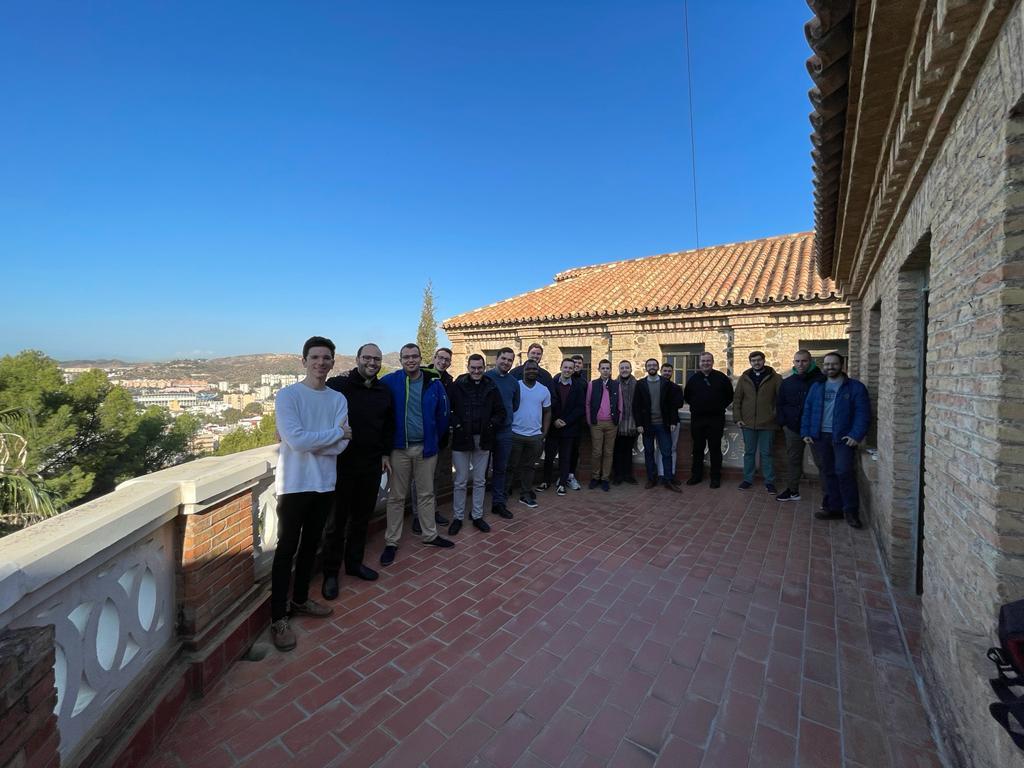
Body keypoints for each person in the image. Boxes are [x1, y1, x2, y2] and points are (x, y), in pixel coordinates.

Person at [270, 336, 351, 652]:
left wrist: (326, 440)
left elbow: (344, 444)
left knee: (310, 547)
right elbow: (297, 441)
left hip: (324, 484)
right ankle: (278, 617)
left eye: (326, 357)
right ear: (303, 361)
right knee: (286, 550)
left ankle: (301, 600)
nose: (321, 362)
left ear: (332, 362)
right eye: (315, 357)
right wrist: (332, 435)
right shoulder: (288, 396)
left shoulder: (338, 400)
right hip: (293, 485)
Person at [321, 343, 393, 602]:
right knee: (336, 523)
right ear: (358, 359)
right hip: (342, 465)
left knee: (362, 519)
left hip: (372, 465)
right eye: (367, 358)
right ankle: (330, 574)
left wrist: (385, 453)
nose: (372, 363)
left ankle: (354, 564)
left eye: (376, 359)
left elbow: (388, 426)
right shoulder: (339, 386)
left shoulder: (384, 391)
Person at [379, 343, 453, 566]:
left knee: (426, 493)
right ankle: (391, 542)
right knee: (396, 497)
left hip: (426, 448)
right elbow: (369, 390)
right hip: (399, 449)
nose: (410, 360)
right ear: (400, 360)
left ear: (421, 358)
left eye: (414, 356)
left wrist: (435, 439)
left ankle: (430, 535)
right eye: (406, 357)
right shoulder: (390, 381)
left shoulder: (434, 383)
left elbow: (443, 414)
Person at [801, 352, 871, 529]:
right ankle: (833, 508)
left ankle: (851, 511)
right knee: (826, 472)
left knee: (844, 472)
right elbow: (807, 410)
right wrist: (806, 432)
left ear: (842, 365)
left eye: (833, 364)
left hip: (842, 438)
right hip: (820, 437)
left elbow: (863, 414)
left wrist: (856, 435)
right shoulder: (817, 387)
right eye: (826, 364)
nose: (829, 367)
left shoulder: (855, 387)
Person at [448, 354, 506, 534]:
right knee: (460, 481)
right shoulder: (457, 386)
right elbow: (447, 410)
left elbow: (501, 412)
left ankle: (477, 515)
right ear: (468, 367)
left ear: (484, 367)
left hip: (484, 439)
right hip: (461, 438)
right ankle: (457, 518)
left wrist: (490, 425)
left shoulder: (491, 386)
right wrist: (457, 424)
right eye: (473, 368)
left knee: (480, 480)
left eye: (479, 367)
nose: (476, 371)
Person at [775, 349, 824, 501]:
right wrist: (784, 423)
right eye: (797, 361)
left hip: (816, 429)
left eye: (804, 361)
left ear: (810, 361)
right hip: (793, 428)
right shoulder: (787, 382)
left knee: (822, 463)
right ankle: (792, 490)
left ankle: (829, 496)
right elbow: (780, 404)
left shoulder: (821, 380)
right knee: (793, 460)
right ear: (793, 363)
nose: (800, 364)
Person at [683, 352, 734, 489]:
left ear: (712, 362)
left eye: (708, 360)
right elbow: (687, 396)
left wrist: (718, 407)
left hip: (716, 419)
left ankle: (715, 478)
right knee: (697, 448)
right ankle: (696, 476)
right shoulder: (693, 379)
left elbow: (729, 396)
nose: (705, 363)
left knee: (715, 449)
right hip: (698, 419)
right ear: (699, 363)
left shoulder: (721, 378)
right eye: (703, 361)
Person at [733, 350, 782, 493]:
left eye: (759, 360)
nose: (756, 363)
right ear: (750, 362)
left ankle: (770, 482)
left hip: (768, 423)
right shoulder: (744, 377)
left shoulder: (775, 377)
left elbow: (781, 400)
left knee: (767, 453)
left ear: (764, 360)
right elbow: (737, 399)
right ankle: (747, 479)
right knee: (749, 453)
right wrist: (738, 418)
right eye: (753, 360)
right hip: (747, 423)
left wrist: (775, 416)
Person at [633, 358, 682, 492]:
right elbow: (636, 406)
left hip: (663, 424)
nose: (652, 367)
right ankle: (651, 478)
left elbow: (672, 404)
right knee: (649, 452)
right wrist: (639, 424)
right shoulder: (640, 384)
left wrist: (672, 421)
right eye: (649, 365)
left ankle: (668, 479)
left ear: (658, 367)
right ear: (646, 368)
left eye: (654, 365)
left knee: (667, 452)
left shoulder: (666, 383)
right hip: (647, 425)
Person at [507, 360, 551, 507]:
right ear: (523, 370)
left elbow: (547, 411)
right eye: (528, 369)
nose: (531, 371)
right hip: (515, 434)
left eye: (534, 369)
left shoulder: (543, 390)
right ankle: (504, 492)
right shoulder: (515, 385)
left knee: (529, 467)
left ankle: (525, 494)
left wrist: (543, 433)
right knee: (510, 465)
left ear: (538, 371)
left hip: (535, 436)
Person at [419, 347, 454, 530]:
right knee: (419, 480)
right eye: (440, 358)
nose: (443, 362)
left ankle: (432, 511)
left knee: (435, 478)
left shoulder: (449, 381)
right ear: (434, 358)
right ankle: (419, 516)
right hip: (422, 437)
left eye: (447, 359)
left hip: (440, 438)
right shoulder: (422, 375)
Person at [541, 358, 587, 495]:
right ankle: (546, 481)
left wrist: (566, 421)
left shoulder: (578, 386)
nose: (567, 370)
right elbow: (547, 405)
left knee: (565, 457)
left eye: (570, 368)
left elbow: (580, 408)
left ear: (574, 370)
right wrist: (554, 420)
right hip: (553, 428)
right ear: (561, 367)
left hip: (569, 428)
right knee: (548, 457)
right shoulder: (552, 384)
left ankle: (562, 484)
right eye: (565, 367)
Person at [485, 347, 520, 519]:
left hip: (505, 431)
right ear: (497, 359)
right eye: (503, 358)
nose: (506, 362)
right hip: (485, 431)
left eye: (509, 360)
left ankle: (498, 503)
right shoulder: (485, 377)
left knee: (501, 468)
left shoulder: (514, 382)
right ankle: (477, 507)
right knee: (481, 470)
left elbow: (515, 405)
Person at [586, 359, 619, 491]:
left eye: (607, 368)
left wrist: (618, 419)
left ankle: (605, 478)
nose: (605, 370)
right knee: (597, 452)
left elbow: (620, 404)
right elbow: (587, 403)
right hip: (597, 423)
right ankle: (595, 477)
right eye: (603, 368)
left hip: (612, 423)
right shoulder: (592, 384)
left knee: (609, 452)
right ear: (599, 370)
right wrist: (590, 420)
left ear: (611, 370)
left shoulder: (616, 385)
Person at [656, 362, 685, 484]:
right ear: (661, 371)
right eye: (665, 371)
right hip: (658, 421)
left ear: (672, 373)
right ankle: (661, 474)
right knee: (659, 448)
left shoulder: (676, 388)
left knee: (672, 448)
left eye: (669, 371)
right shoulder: (654, 386)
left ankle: (671, 474)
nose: (667, 373)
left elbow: (679, 404)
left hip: (674, 421)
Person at [612, 361, 639, 485]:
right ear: (619, 369)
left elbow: (641, 405)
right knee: (617, 450)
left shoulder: (637, 385)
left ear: (631, 369)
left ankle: (628, 475)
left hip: (632, 423)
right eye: (622, 368)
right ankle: (618, 475)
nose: (624, 370)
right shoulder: (614, 384)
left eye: (626, 368)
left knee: (629, 450)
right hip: (617, 423)